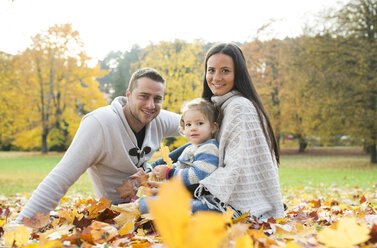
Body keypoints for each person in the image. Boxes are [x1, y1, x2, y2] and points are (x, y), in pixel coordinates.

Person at [16, 68, 181, 223]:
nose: (151, 105)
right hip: (119, 212)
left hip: (150, 198)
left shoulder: (158, 118)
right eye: (144, 96)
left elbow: (203, 123)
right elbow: (61, 177)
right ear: (128, 95)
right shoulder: (100, 123)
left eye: (157, 98)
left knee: (198, 144)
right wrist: (23, 225)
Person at [151, 43, 284, 221]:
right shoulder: (220, 106)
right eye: (211, 70)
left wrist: (174, 186)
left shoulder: (239, 107)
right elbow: (197, 147)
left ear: (238, 74)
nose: (216, 78)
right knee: (151, 202)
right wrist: (153, 167)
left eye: (225, 71)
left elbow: (234, 171)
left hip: (236, 206)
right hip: (216, 198)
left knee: (149, 206)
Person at [152, 98, 221, 193]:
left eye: (199, 123)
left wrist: (169, 173)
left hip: (196, 195)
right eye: (188, 124)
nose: (193, 128)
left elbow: (198, 175)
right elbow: (181, 165)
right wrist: (164, 170)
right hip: (180, 189)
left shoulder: (209, 148)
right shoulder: (192, 147)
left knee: (145, 203)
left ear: (213, 128)